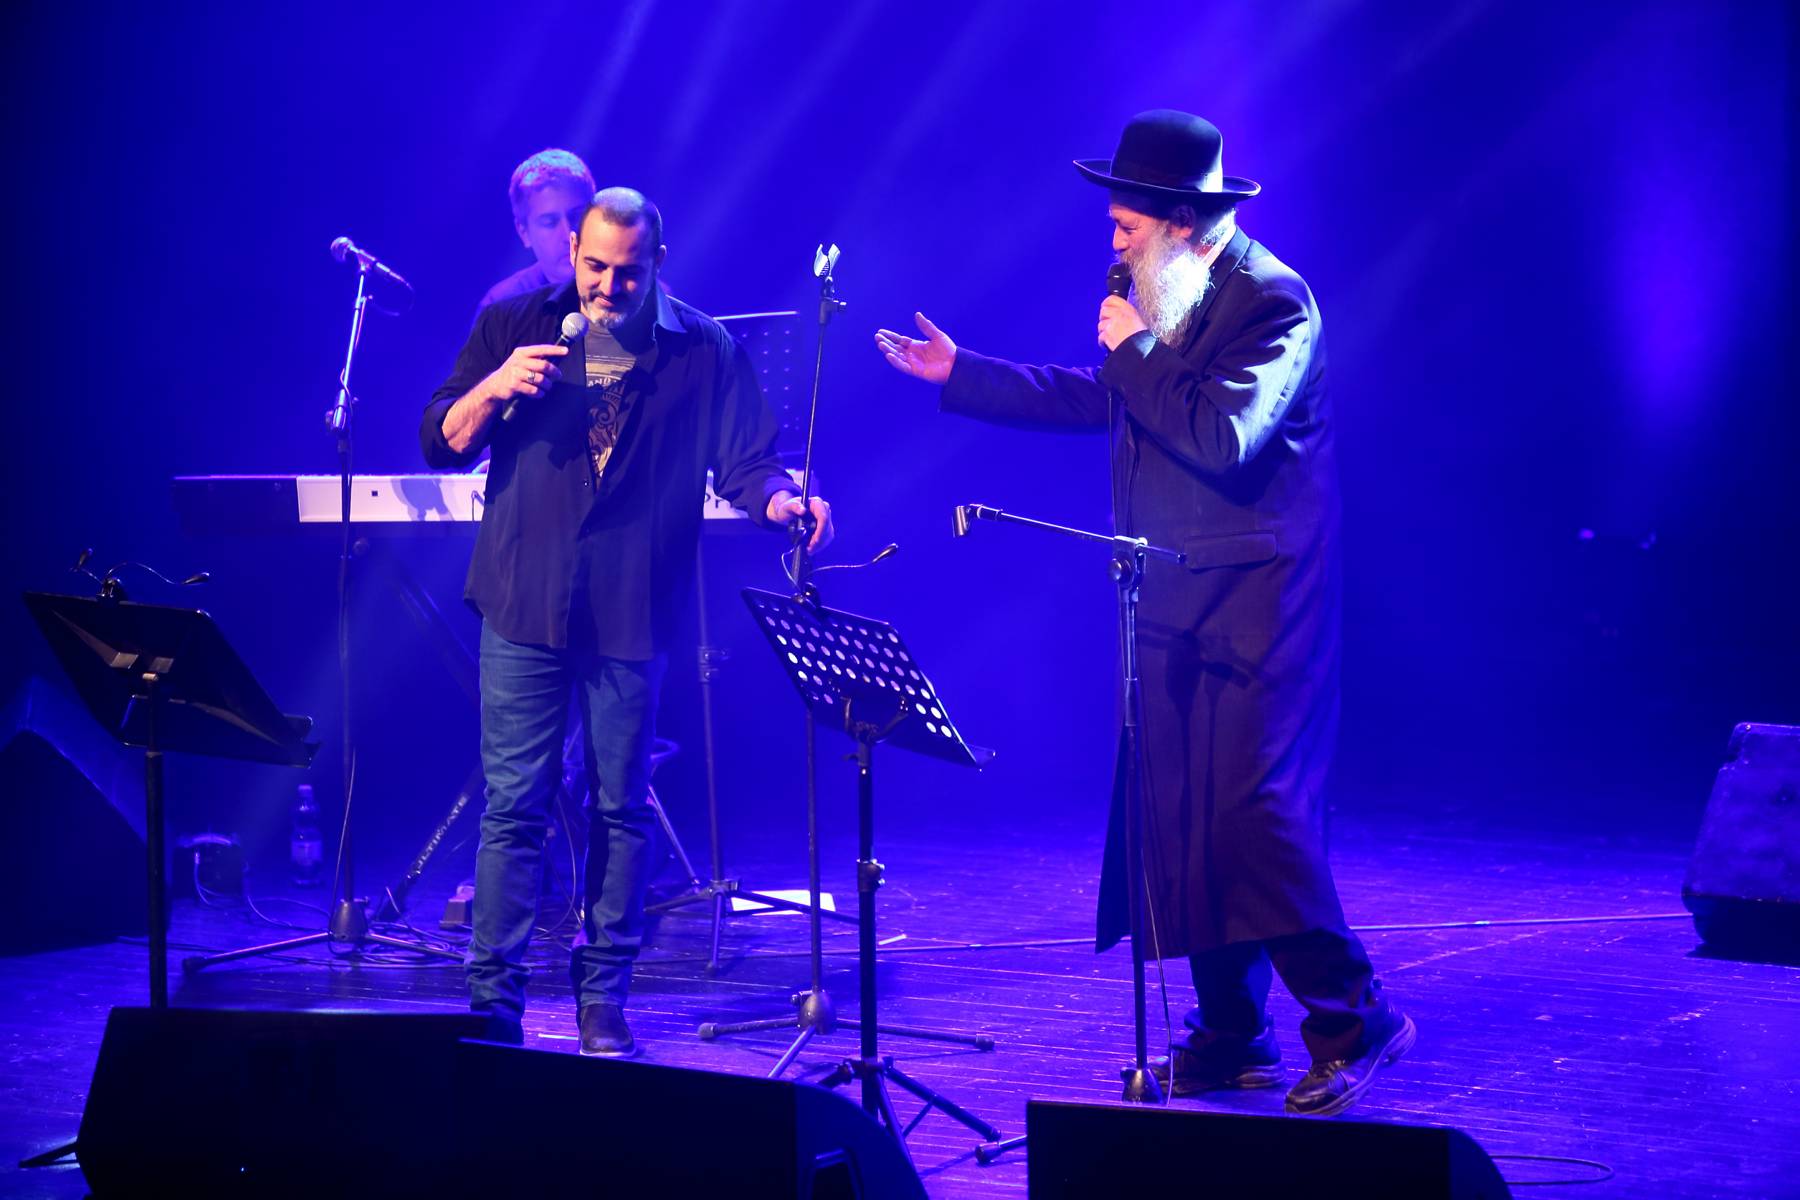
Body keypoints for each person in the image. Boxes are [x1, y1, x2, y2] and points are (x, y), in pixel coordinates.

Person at [874, 110, 1411, 1116]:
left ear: (1181, 223)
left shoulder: (1275, 302)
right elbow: (1108, 397)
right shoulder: (1170, 298)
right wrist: (967, 375)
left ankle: (1354, 1019)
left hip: (1261, 606)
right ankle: (1232, 1034)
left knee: (1256, 814)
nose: (1114, 245)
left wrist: (1131, 350)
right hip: (1170, 589)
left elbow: (1223, 435)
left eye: (1127, 227)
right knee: (1183, 813)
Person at [423, 186, 832, 1057]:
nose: (607, 287)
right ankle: (492, 1003)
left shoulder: (702, 348)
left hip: (630, 609)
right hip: (524, 599)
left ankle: (603, 996)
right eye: (594, 267)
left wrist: (784, 503)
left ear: (658, 264)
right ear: (573, 251)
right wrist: (496, 386)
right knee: (514, 809)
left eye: (628, 272)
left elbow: (748, 463)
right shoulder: (516, 324)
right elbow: (441, 437)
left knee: (621, 808)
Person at [478, 148, 596, 310]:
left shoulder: (628, 287)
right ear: (524, 233)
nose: (568, 235)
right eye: (549, 222)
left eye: (577, 216)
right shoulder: (500, 308)